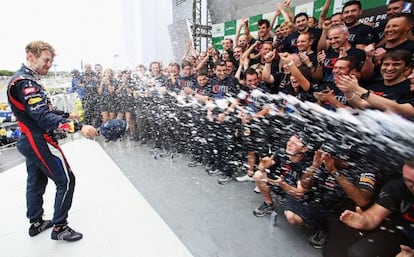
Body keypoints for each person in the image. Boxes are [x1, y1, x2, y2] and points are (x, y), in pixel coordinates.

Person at [7, 41, 98, 242]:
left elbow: (41, 110)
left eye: (51, 61)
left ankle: (36, 222)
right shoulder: (26, 83)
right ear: (31, 55)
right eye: (46, 60)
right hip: (38, 140)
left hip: (28, 139)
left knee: (36, 181)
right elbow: (43, 117)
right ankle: (60, 227)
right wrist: (77, 127)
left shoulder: (25, 79)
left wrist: (67, 114)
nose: (49, 64)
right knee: (66, 180)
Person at [339, 157, 414, 257]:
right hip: (401, 235)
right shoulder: (398, 187)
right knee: (359, 253)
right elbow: (373, 217)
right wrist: (364, 221)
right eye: (409, 181)